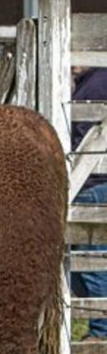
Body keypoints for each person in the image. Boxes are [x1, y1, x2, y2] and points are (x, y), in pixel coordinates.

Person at [70, 66, 107, 340]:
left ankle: (101, 333)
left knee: (90, 263)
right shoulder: (94, 80)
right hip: (94, 181)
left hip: (89, 181)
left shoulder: (94, 84)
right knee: (83, 263)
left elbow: (79, 134)